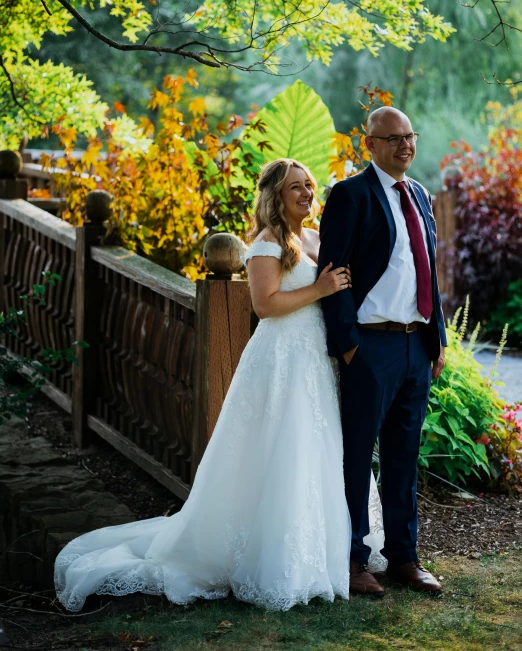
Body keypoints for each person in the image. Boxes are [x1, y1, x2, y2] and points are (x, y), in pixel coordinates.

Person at [55, 158, 384, 613]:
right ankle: (267, 557)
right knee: (279, 450)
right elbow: (265, 305)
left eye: (309, 185)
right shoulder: (267, 243)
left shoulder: (315, 238)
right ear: (275, 196)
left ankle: (319, 553)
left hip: (314, 361)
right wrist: (321, 289)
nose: (307, 194)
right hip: (280, 360)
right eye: (295, 188)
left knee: (316, 449)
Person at [318, 106, 447, 597]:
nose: (404, 145)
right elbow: (332, 273)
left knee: (403, 457)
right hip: (370, 346)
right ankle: (353, 560)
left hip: (417, 345)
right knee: (356, 457)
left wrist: (437, 337)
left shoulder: (420, 195)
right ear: (368, 144)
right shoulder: (350, 195)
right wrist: (349, 345)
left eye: (409, 136)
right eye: (392, 138)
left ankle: (404, 558)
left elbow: (427, 271)